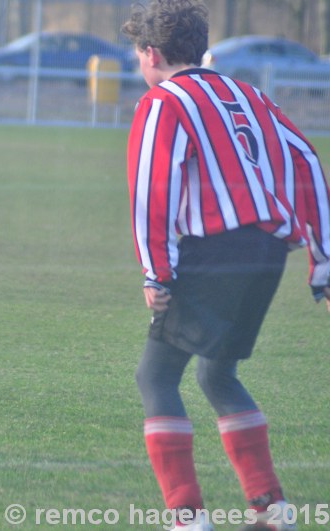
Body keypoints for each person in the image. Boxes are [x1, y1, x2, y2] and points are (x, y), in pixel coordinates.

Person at [122, 1, 330, 530]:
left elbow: (152, 188)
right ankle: (273, 510)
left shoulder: (163, 100)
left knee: (156, 375)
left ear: (150, 53)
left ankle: (188, 517)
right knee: (217, 374)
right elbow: (306, 160)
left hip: (213, 249)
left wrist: (155, 270)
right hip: (265, 253)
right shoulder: (246, 93)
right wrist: (322, 261)